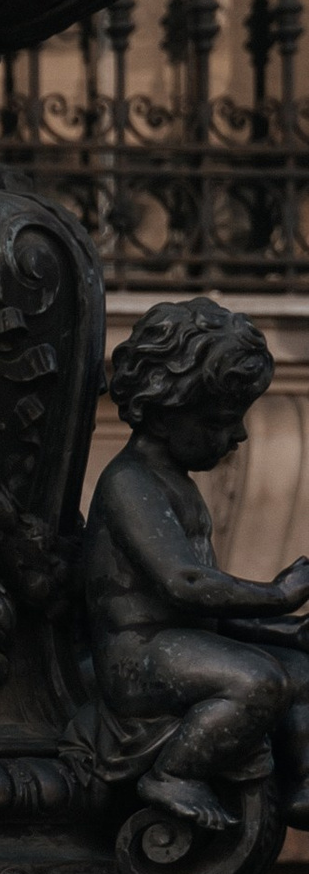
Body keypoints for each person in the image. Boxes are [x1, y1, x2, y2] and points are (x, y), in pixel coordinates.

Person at [85, 292, 309, 834]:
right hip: (137, 660)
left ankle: (302, 785)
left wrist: (283, 629)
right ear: (164, 413)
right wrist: (278, 596)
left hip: (180, 645)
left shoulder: (177, 484)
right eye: (219, 421)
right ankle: (174, 774)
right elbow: (183, 584)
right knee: (257, 681)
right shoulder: (130, 483)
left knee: (301, 671)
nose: (238, 435)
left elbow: (202, 613)